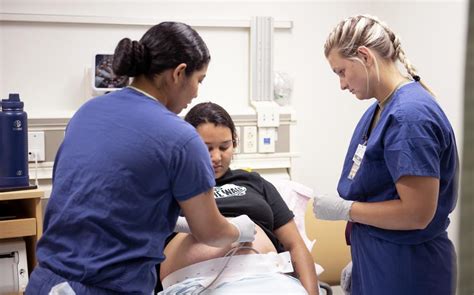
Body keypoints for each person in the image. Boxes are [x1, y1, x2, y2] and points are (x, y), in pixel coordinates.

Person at [25, 22, 256, 295]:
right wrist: (240, 229)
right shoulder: (180, 138)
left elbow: (99, 201)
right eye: (199, 80)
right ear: (179, 73)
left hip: (45, 283)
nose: (196, 93)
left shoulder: (87, 113)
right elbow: (210, 233)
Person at [313, 15, 459, 295]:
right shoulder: (381, 109)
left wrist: (347, 210)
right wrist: (361, 256)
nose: (342, 84)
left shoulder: (409, 116)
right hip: (380, 259)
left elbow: (417, 213)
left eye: (341, 72)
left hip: (408, 268)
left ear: (365, 56)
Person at [155, 102, 320, 294]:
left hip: (266, 278)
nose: (216, 157)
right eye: (206, 148)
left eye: (224, 147)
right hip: (192, 282)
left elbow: (295, 244)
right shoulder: (170, 188)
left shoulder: (254, 183)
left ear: (234, 142)